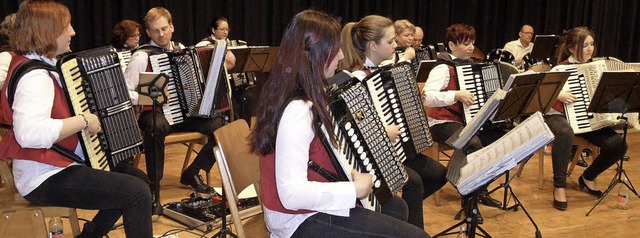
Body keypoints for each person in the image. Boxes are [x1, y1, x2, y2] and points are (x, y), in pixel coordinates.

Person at [250, 10, 429, 238]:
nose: (342, 56)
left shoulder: (307, 93)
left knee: (397, 207)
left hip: (310, 208)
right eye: (336, 49)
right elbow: (291, 194)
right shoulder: (297, 110)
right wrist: (354, 189)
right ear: (316, 54)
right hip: (296, 220)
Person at [0, 1, 152, 237]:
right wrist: (83, 120)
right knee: (136, 192)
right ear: (47, 31)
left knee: (136, 178)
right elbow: (29, 134)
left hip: (54, 165)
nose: (73, 32)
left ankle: (89, 235)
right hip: (42, 177)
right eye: (66, 26)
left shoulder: (42, 65)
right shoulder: (35, 77)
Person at [340, 15, 448, 229]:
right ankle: (411, 230)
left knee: (439, 174)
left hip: (398, 148)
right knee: (414, 182)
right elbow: (355, 127)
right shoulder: (357, 79)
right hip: (373, 155)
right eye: (390, 41)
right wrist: (381, 131)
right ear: (373, 45)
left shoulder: (387, 70)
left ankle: (402, 221)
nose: (395, 45)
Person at [124, 7, 225, 214]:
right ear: (148, 32)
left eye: (164, 29)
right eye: (155, 31)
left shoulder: (181, 50)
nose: (160, 35)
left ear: (172, 26)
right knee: (154, 126)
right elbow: (125, 92)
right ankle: (154, 189)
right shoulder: (142, 56)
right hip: (154, 113)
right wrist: (151, 94)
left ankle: (192, 172)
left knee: (221, 126)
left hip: (183, 114)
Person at [421, 23, 505, 223]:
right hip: (441, 122)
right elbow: (427, 97)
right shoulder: (442, 68)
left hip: (468, 121)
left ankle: (479, 187)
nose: (470, 47)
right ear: (451, 45)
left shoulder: (474, 65)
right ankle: (469, 202)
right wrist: (455, 95)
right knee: (473, 144)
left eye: (472, 43)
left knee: (502, 138)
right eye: (465, 43)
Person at [548, 26, 628, 210]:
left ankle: (588, 177)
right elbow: (544, 93)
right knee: (565, 133)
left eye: (592, 44)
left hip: (587, 120)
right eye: (585, 45)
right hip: (558, 116)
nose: (590, 49)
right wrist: (557, 94)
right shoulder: (561, 68)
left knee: (618, 144)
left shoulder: (597, 67)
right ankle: (559, 186)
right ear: (570, 48)